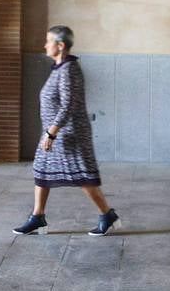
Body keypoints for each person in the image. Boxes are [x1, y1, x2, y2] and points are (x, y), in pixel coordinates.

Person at [13, 25, 120, 236]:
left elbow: (68, 104)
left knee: (83, 177)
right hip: (55, 134)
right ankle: (37, 217)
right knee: (41, 172)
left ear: (60, 45)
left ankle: (107, 215)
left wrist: (52, 132)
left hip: (69, 134)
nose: (45, 45)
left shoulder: (70, 70)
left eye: (48, 41)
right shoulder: (59, 69)